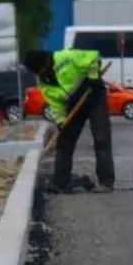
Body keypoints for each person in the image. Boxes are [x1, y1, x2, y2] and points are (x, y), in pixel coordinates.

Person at [24, 47, 114, 194]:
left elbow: (93, 56)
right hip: (73, 105)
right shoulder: (45, 83)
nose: (41, 74)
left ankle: (106, 181)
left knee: (101, 139)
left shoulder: (65, 57)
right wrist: (60, 121)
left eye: (41, 70)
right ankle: (61, 182)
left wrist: (93, 77)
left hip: (93, 94)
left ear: (46, 63)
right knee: (65, 141)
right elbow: (55, 105)